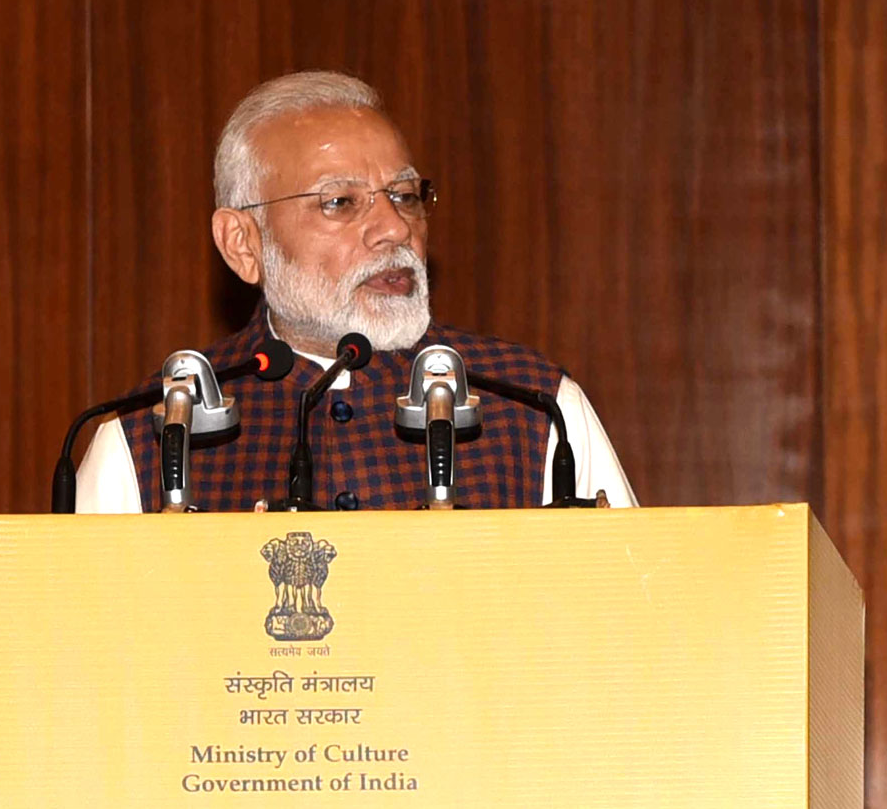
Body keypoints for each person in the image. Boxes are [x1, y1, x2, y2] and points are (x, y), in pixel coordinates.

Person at [76, 71, 636, 513]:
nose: (394, 228)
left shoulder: (537, 408)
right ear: (243, 244)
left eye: (406, 196)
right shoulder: (148, 438)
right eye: (340, 202)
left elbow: (634, 609)